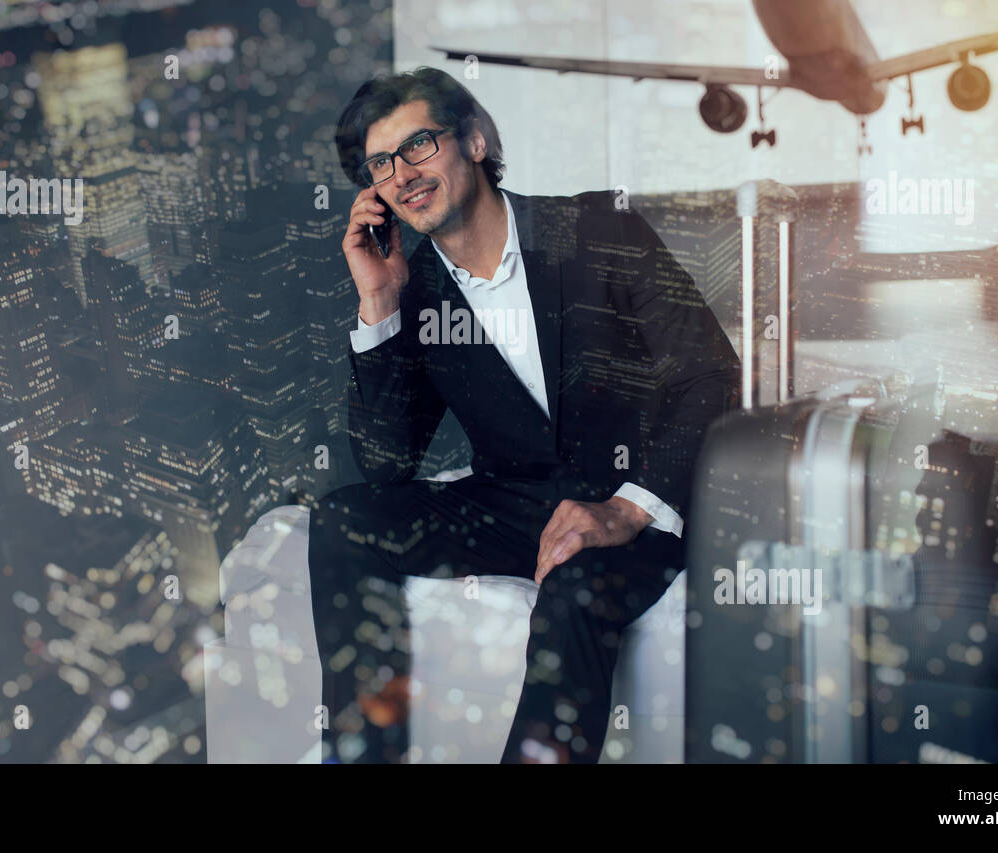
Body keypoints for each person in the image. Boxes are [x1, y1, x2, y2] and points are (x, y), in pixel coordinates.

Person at [310, 66, 740, 763]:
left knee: (574, 587)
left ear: (475, 139)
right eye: (381, 163)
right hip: (516, 506)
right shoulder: (415, 292)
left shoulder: (599, 228)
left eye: (418, 145)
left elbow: (709, 373)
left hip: (637, 503)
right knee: (344, 518)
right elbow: (388, 466)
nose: (402, 174)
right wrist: (379, 305)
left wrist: (628, 507)